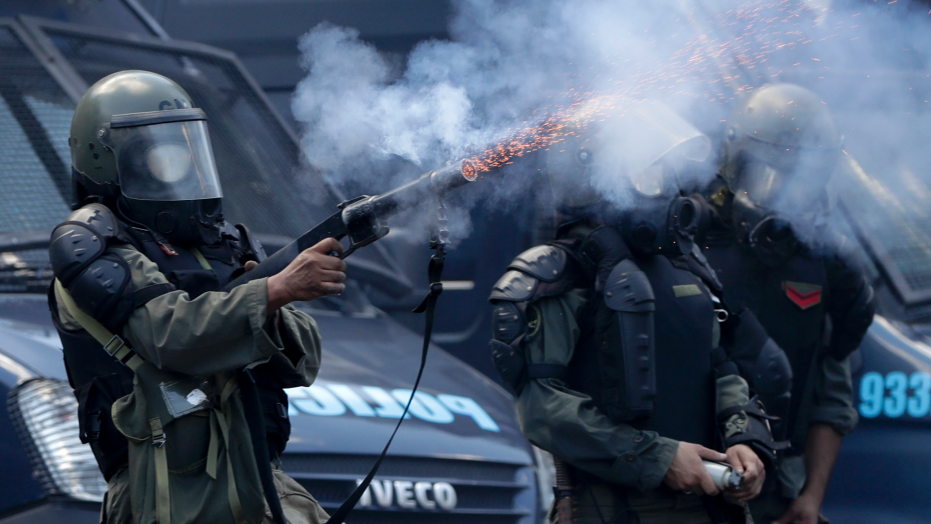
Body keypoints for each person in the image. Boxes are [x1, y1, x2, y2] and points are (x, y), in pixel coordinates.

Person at [48, 70, 345, 524]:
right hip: (165, 489)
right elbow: (170, 335)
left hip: (256, 478)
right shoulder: (91, 243)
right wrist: (274, 289)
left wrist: (271, 301)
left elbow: (302, 362)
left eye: (186, 144)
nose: (181, 160)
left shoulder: (219, 241)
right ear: (106, 156)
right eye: (159, 149)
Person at [489, 101, 791, 524]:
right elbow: (543, 410)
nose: (666, 190)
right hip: (612, 508)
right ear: (592, 178)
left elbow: (721, 370)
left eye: (665, 174)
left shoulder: (682, 267)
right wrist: (658, 457)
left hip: (710, 505)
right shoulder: (562, 274)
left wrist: (746, 439)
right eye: (648, 173)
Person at [696, 83, 875, 524]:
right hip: (693, 481)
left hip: (778, 490)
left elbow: (831, 393)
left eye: (803, 179)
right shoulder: (689, 242)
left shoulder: (821, 261)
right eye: (772, 174)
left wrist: (811, 497)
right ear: (736, 164)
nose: (786, 194)